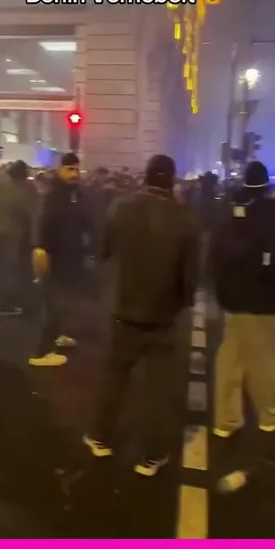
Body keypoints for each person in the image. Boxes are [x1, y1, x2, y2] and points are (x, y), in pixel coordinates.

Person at [85, 154, 200, 477]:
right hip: (162, 314)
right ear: (172, 180)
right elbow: (190, 277)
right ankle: (153, 455)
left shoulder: (120, 207)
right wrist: (183, 302)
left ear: (146, 176)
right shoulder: (186, 219)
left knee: (115, 376)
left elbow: (103, 251)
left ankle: (100, 436)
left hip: (124, 308)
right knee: (158, 388)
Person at [208, 160, 275, 442]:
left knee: (231, 357)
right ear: (266, 183)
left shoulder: (230, 207)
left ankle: (226, 419)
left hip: (231, 296)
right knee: (263, 358)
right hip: (260, 295)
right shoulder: (271, 210)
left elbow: (214, 250)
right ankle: (270, 415)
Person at [29, 153, 91, 367]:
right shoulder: (53, 194)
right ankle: (41, 352)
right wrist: (40, 250)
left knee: (61, 302)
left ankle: (57, 335)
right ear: (60, 169)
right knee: (53, 304)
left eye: (77, 169)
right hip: (53, 256)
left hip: (69, 257)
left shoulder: (73, 192)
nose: (74, 174)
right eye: (70, 169)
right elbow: (42, 223)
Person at [0, 160, 35, 316]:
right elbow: (27, 211)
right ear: (21, 176)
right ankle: (5, 306)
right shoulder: (18, 191)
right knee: (8, 270)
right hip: (10, 233)